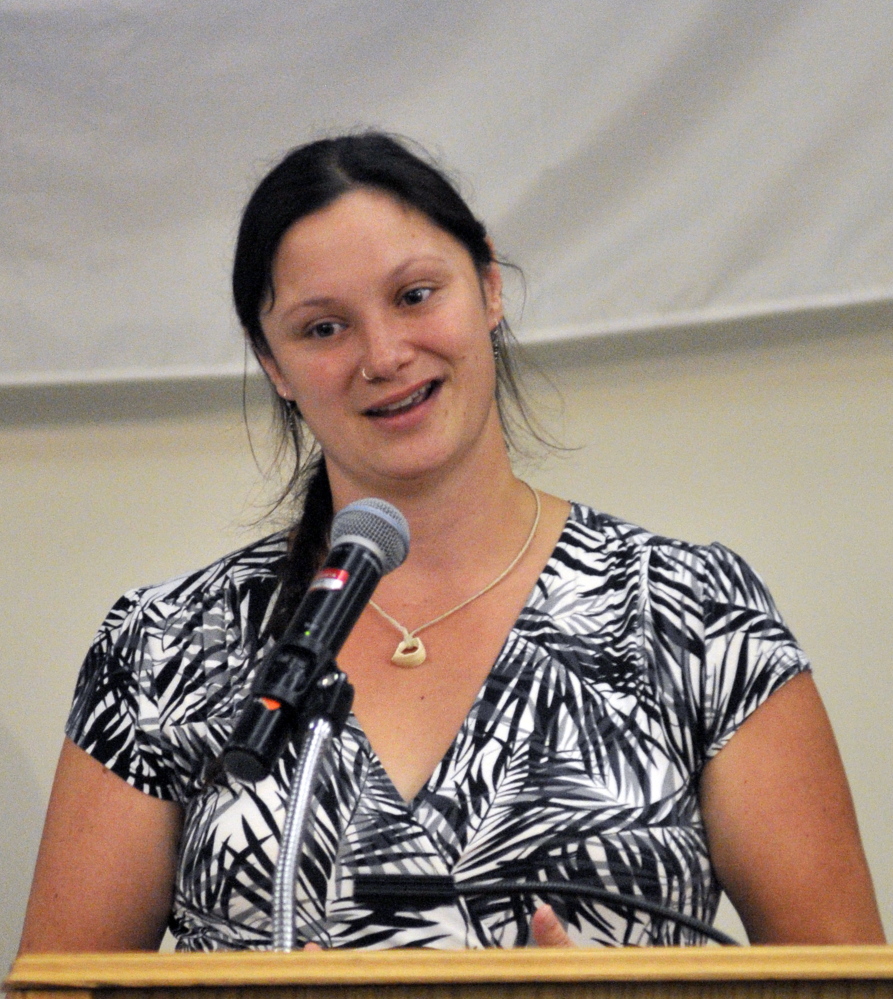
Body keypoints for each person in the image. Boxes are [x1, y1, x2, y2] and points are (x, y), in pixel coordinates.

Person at [19, 133, 884, 952]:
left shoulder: (692, 612)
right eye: (323, 328)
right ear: (272, 363)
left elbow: (844, 982)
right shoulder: (168, 645)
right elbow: (59, 991)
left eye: (414, 296)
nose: (384, 354)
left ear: (488, 287)